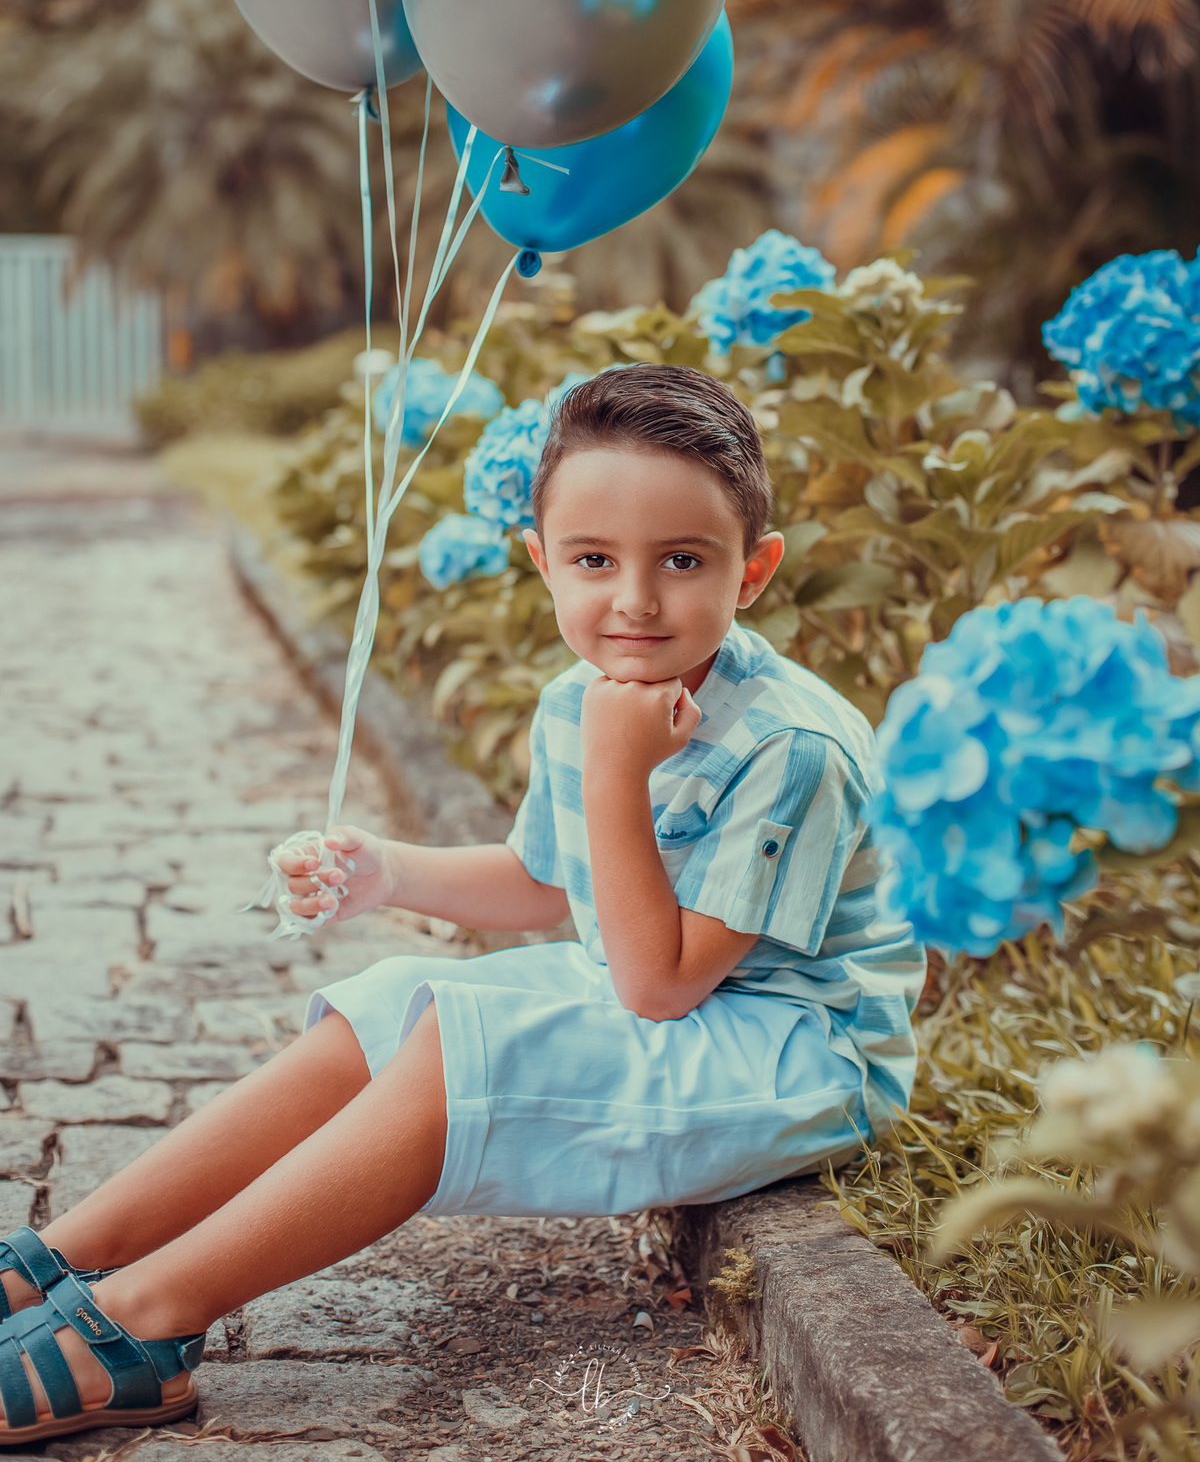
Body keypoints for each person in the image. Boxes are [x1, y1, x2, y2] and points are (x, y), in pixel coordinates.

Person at [0, 364, 924, 1446]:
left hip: (795, 1051)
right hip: (674, 997)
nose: (633, 599)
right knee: (393, 1001)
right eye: (593, 559)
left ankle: (144, 1324)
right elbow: (549, 882)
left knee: (465, 1045)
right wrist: (389, 871)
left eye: (682, 561)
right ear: (542, 562)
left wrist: (619, 775)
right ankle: (64, 1256)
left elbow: (659, 983)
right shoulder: (583, 698)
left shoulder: (791, 748)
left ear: (752, 571)